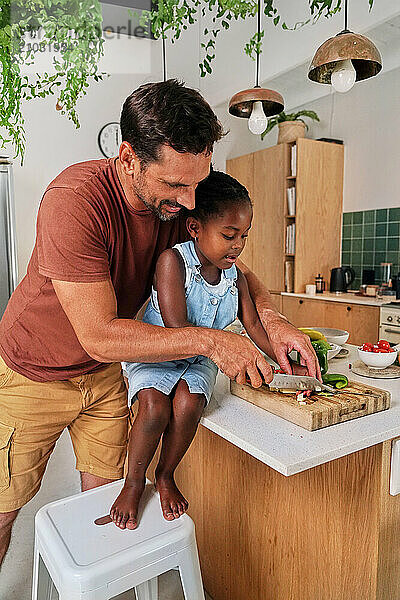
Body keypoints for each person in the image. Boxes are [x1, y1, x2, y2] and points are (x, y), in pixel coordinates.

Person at [0, 79, 319, 566]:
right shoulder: (75, 202)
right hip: (33, 372)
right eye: (175, 184)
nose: (191, 201)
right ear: (128, 159)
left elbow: (239, 271)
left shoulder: (178, 205)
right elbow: (101, 334)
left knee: (105, 507)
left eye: (197, 182)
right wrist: (212, 343)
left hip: (105, 376)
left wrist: (272, 322)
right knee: (3, 510)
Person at [110, 170, 303, 529]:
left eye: (244, 236)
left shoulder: (237, 277)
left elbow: (256, 326)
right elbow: (177, 330)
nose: (238, 246)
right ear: (195, 228)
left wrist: (284, 359)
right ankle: (134, 481)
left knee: (188, 405)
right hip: (160, 353)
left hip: (200, 358)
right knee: (154, 408)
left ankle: (166, 475)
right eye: (229, 235)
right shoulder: (173, 262)